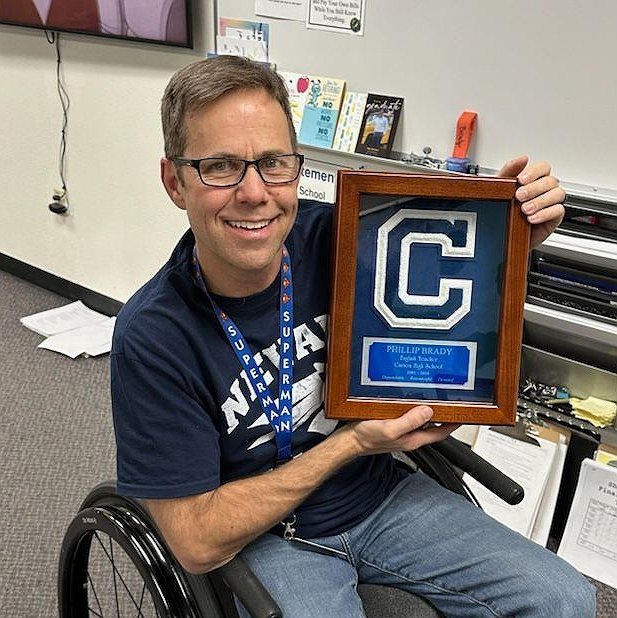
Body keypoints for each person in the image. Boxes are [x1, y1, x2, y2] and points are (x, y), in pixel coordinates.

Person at [111, 55, 595, 617]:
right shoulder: (153, 336)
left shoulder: (344, 234)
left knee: (565, 600)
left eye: (273, 162)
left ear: (296, 166)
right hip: (265, 535)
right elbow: (195, 542)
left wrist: (510, 231)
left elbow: (443, 280)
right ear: (175, 182)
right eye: (220, 167)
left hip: (376, 495)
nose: (253, 193)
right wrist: (354, 442)